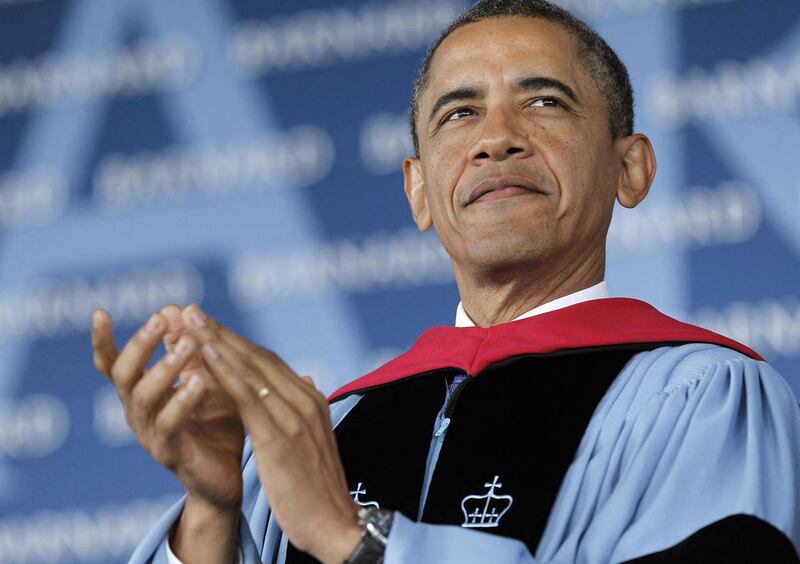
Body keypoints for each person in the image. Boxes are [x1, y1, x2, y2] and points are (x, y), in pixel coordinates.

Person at [91, 1, 800, 562]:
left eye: (545, 101)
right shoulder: (328, 430)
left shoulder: (702, 400)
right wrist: (213, 512)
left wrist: (358, 540)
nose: (497, 138)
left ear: (631, 169)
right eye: (460, 113)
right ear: (419, 191)